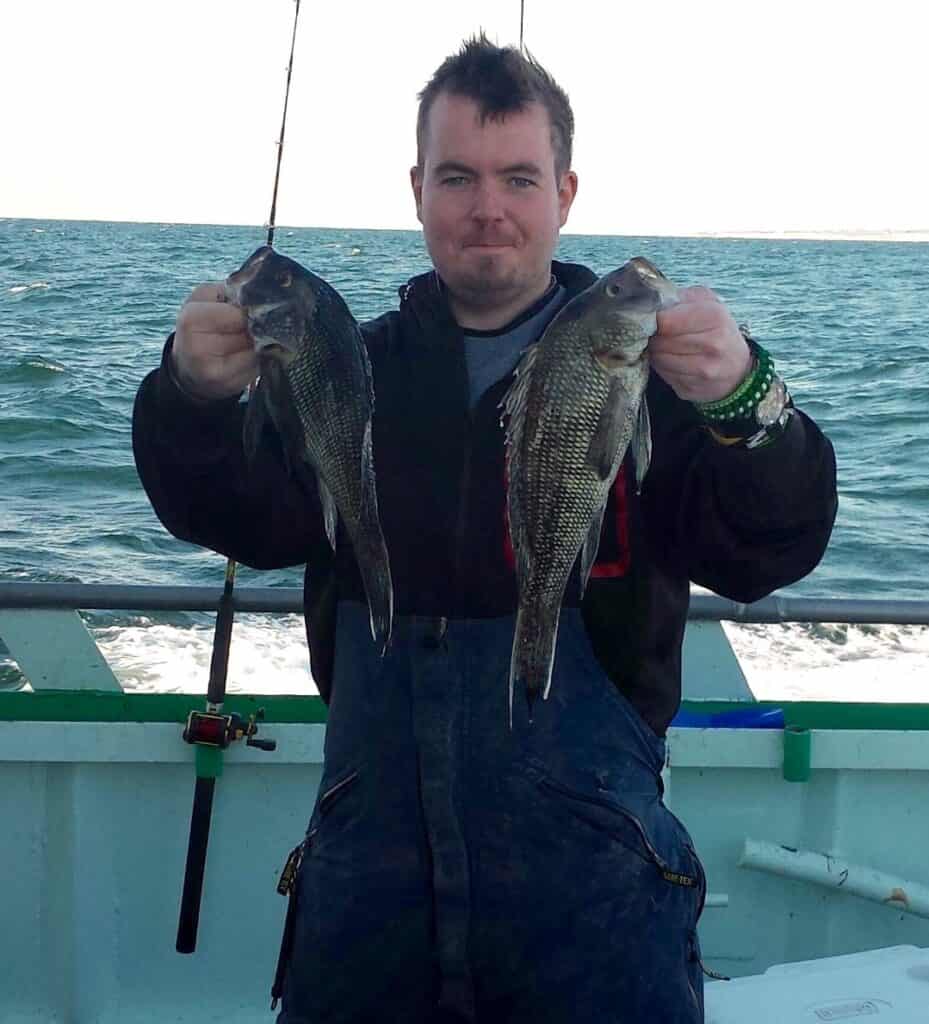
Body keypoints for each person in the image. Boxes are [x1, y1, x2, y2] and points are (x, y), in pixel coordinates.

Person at [133, 34, 837, 1024]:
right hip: (367, 872)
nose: (487, 207)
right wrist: (189, 398)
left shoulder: (651, 377)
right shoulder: (343, 363)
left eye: (518, 176)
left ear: (565, 191)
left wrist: (746, 401)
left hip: (594, 874)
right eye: (457, 176)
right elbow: (235, 516)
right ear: (416, 188)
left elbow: (768, 553)